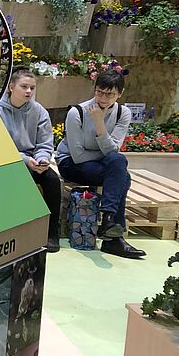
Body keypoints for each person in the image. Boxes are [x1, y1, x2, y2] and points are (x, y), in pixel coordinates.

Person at [55, 69, 145, 259]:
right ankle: (113, 236)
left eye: (110, 94)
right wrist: (98, 125)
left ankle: (109, 221)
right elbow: (78, 155)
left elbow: (113, 152)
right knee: (122, 174)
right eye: (99, 92)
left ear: (119, 93)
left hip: (102, 164)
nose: (103, 98)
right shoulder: (76, 112)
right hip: (70, 163)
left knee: (118, 164)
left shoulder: (123, 113)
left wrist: (100, 124)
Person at [0, 67, 61, 253]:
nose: (29, 92)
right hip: (6, 163)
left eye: (32, 88)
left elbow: (45, 142)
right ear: (11, 87)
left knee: (52, 181)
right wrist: (25, 160)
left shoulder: (39, 111)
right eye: (24, 86)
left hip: (33, 161)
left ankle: (51, 233)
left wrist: (42, 160)